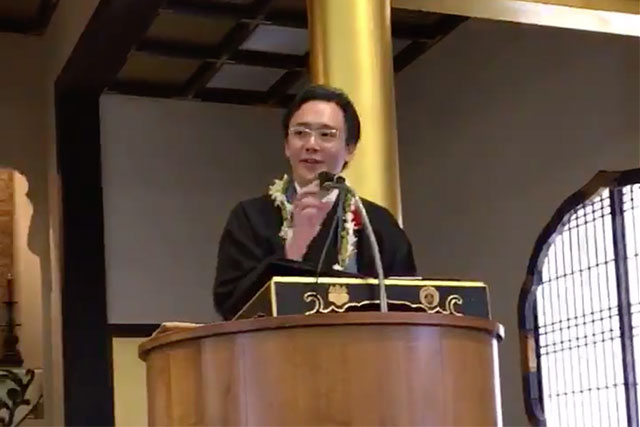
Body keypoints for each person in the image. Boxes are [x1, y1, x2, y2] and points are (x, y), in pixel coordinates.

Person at [213, 84, 417, 320]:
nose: (311, 144)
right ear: (287, 146)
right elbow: (230, 305)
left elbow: (407, 304)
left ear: (349, 149)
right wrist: (294, 247)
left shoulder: (377, 224)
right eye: (300, 133)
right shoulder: (250, 217)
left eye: (326, 135)